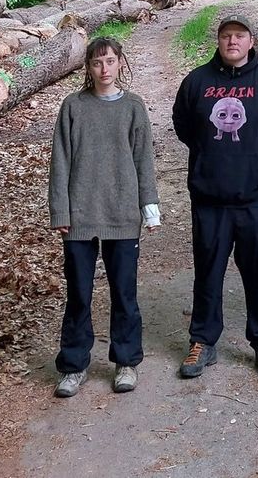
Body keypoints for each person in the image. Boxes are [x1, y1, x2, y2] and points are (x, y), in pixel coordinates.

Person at [172, 13, 258, 380]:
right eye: (226, 35)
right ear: (219, 40)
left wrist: (254, 158)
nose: (232, 41)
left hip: (253, 199)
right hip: (209, 199)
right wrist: (211, 156)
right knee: (208, 273)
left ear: (251, 41)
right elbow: (183, 126)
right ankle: (203, 340)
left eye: (240, 35)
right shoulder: (196, 82)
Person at [48, 37, 160, 398]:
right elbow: (60, 161)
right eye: (97, 63)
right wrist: (60, 210)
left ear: (120, 62)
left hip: (121, 212)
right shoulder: (73, 106)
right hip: (80, 215)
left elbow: (144, 160)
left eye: (110, 61)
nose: (104, 69)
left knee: (124, 292)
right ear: (88, 67)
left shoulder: (133, 107)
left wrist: (149, 205)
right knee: (79, 293)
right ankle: (73, 365)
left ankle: (126, 361)